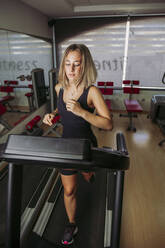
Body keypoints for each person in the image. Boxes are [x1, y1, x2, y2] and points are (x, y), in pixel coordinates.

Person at [43, 44, 113, 245]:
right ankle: (71, 224)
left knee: (87, 174)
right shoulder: (59, 88)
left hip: (86, 146)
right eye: (67, 64)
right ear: (63, 66)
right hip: (66, 147)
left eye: (76, 65)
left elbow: (108, 123)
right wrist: (52, 115)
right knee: (69, 190)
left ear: (85, 66)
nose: (71, 70)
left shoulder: (91, 92)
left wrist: (82, 112)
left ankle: (88, 174)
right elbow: (60, 110)